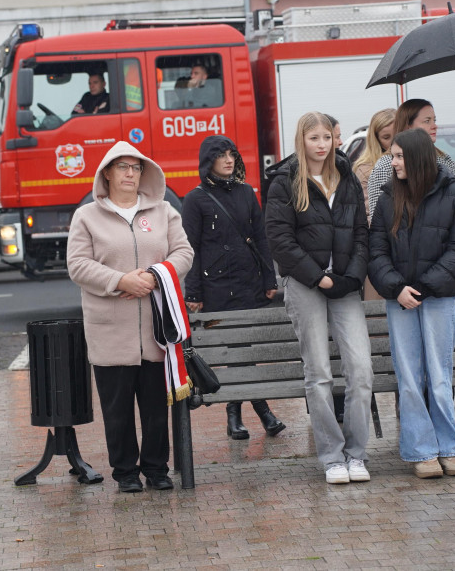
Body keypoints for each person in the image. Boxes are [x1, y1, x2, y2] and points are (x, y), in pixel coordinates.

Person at [67, 141, 193, 492]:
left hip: (157, 328)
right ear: (106, 173)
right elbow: (77, 265)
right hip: (110, 331)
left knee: (155, 407)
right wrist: (118, 280)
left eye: (135, 167)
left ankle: (156, 469)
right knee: (117, 410)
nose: (128, 173)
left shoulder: (164, 211)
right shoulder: (87, 216)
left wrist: (156, 276)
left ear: (143, 173)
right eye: (121, 166)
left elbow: (184, 251)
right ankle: (124, 472)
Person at [264, 111, 373, 485]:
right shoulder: (284, 181)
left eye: (327, 137)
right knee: (320, 373)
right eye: (314, 138)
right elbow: (280, 241)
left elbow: (362, 231)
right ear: (302, 140)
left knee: (360, 370)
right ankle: (331, 456)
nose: (322, 145)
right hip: (306, 285)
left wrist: (352, 276)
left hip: (345, 285)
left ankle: (356, 454)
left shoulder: (346, 177)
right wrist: (318, 278)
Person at [367, 128, 455, 478]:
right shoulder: (388, 198)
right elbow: (376, 252)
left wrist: (424, 288)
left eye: (398, 156)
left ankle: (450, 447)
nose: (393, 162)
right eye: (392, 155)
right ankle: (422, 451)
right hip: (400, 300)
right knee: (410, 376)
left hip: (439, 298)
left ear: (416, 157)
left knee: (439, 373)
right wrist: (397, 288)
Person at [181, 135, 284, 440]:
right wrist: (195, 292)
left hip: (247, 282)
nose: (229, 160)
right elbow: (192, 249)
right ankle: (259, 413)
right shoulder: (195, 199)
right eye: (222, 155)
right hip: (215, 288)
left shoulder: (246, 193)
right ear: (208, 161)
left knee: (243, 347)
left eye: (232, 154)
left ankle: (236, 415)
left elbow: (261, 238)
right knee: (236, 348)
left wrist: (269, 279)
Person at [366, 99, 455, 220]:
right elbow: (379, 222)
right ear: (408, 126)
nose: (435, 126)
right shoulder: (387, 165)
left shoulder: (444, 161)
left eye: (434, 120)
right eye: (427, 121)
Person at [353, 110, 397, 298]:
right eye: (387, 137)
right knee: (380, 316)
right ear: (375, 139)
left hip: (408, 252)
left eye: (397, 135)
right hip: (381, 249)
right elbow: (368, 214)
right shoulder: (366, 168)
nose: (393, 142)